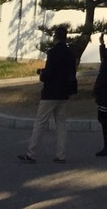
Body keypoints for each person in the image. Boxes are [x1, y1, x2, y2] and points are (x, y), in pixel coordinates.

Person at [18, 26, 77, 165]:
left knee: (40, 122)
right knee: (61, 124)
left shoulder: (52, 52)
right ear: (66, 37)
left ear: (55, 37)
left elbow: (49, 73)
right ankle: (61, 155)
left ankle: (31, 153)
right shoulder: (70, 53)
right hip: (64, 92)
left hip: (50, 92)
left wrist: (42, 74)